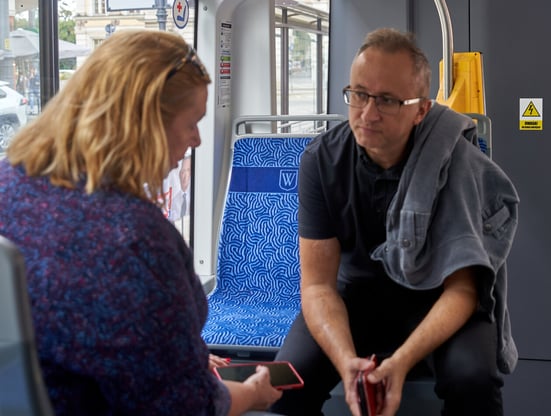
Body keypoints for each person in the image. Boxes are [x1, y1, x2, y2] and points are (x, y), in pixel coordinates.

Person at [0, 30, 282, 415]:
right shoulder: (135, 240)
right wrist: (252, 393)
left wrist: (178, 355)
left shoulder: (8, 184)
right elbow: (189, 408)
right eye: (192, 123)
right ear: (146, 125)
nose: (197, 141)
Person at [272, 28, 519, 416]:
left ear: (421, 110)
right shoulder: (321, 161)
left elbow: (462, 290)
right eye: (359, 94)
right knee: (285, 385)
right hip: (354, 296)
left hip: (435, 296)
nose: (368, 113)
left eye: (387, 100)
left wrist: (401, 362)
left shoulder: (457, 163)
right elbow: (318, 286)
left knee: (473, 380)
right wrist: (346, 362)